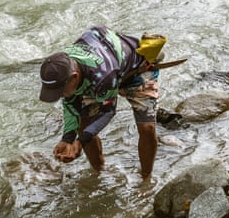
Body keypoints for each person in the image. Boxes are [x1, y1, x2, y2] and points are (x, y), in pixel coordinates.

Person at [38, 25, 163, 180]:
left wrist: (80, 141)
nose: (60, 95)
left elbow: (108, 111)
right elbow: (71, 106)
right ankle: (99, 171)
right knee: (83, 123)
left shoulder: (103, 74)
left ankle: (146, 178)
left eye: (60, 91)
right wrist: (67, 139)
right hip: (99, 73)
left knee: (147, 127)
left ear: (74, 77)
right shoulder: (62, 67)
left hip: (135, 70)